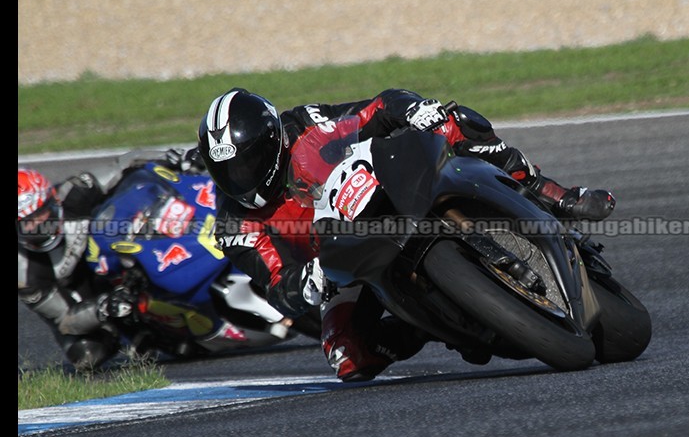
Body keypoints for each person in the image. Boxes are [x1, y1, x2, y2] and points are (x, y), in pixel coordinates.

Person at [198, 87, 616, 382]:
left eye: (247, 163)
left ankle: (550, 191)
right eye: (227, 171)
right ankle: (430, 325)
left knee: (456, 122)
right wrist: (305, 283)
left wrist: (413, 110)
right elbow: (277, 286)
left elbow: (377, 108)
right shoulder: (235, 225)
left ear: (273, 141)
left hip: (388, 189)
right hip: (343, 264)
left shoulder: (306, 126)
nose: (240, 178)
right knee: (348, 360)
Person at [17, 149, 204, 371]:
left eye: (41, 215)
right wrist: (103, 308)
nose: (38, 226)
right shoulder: (24, 272)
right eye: (26, 224)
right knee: (87, 355)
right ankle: (135, 332)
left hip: (117, 253)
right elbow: (65, 319)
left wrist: (171, 158)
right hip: (82, 297)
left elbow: (125, 162)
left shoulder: (74, 193)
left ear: (53, 200)